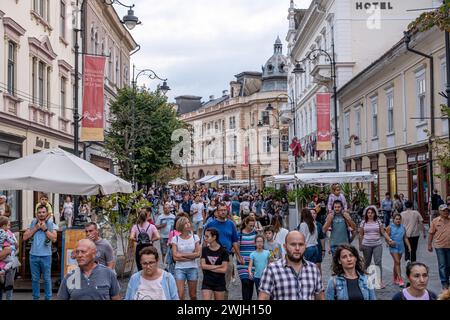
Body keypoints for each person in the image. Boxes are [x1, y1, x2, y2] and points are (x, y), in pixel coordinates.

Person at [258, 231, 324, 300]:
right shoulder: (272, 270)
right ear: (285, 246)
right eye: (293, 244)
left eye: (301, 244)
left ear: (305, 246)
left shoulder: (313, 269)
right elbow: (263, 298)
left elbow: (320, 297)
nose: (297, 248)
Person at [203, 202, 244, 299]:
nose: (223, 212)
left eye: (224, 210)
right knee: (211, 283)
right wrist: (203, 255)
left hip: (227, 256)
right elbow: (205, 241)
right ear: (217, 212)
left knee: (225, 284)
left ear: (227, 211)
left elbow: (234, 241)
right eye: (221, 210)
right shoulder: (211, 224)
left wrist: (239, 255)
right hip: (212, 256)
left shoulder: (231, 224)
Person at [23, 204, 57, 300]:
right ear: (36, 214)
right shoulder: (33, 222)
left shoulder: (50, 223)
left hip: (46, 256)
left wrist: (45, 229)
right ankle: (36, 298)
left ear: (47, 213)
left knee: (46, 279)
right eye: (39, 212)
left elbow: (54, 239)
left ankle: (48, 298)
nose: (41, 214)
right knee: (35, 279)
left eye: (43, 212)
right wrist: (36, 228)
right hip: (33, 255)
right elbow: (25, 237)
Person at [358, 205, 392, 289]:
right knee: (367, 263)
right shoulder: (363, 222)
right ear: (366, 214)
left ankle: (379, 281)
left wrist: (389, 239)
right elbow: (360, 234)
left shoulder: (378, 221)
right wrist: (360, 245)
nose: (370, 214)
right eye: (368, 213)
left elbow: (383, 232)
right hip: (366, 245)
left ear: (374, 214)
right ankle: (364, 279)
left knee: (378, 262)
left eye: (372, 213)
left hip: (377, 244)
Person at [172, 216, 201, 300]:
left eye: (188, 222)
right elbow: (175, 257)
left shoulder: (195, 237)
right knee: (180, 295)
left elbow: (198, 254)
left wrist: (181, 255)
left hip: (192, 268)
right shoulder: (175, 239)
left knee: (193, 295)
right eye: (186, 223)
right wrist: (191, 256)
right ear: (181, 226)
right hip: (179, 268)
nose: (188, 224)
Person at [201, 228, 229, 300]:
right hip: (207, 281)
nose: (205, 238)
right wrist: (218, 266)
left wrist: (209, 268)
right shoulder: (204, 250)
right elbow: (203, 266)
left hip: (219, 282)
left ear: (214, 237)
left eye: (207, 236)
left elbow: (224, 270)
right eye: (205, 236)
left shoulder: (224, 251)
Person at [428, 204, 450, 290]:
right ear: (440, 211)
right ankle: (444, 282)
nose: (446, 212)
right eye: (444, 210)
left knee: (448, 265)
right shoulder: (435, 221)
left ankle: (447, 280)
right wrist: (429, 245)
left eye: (447, 210)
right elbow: (431, 233)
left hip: (449, 246)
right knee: (442, 265)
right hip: (439, 246)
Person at [386, 213, 412, 287]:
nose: (398, 220)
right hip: (393, 247)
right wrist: (389, 242)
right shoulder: (390, 227)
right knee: (398, 262)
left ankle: (394, 278)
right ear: (393, 219)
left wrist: (409, 246)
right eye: (396, 219)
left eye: (399, 219)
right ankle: (400, 279)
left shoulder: (403, 227)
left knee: (396, 262)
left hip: (401, 246)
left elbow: (405, 238)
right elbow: (386, 237)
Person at [237, 216, 257, 300]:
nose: (251, 227)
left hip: (253, 263)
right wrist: (238, 257)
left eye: (253, 226)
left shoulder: (255, 233)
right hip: (242, 262)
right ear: (246, 223)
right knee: (245, 282)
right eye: (250, 225)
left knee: (251, 283)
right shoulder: (239, 234)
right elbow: (236, 248)